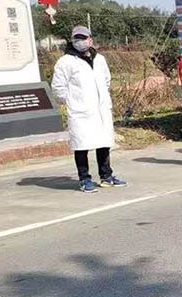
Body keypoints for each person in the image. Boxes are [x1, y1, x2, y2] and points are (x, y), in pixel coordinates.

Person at [51, 26, 127, 193]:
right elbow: (58, 88)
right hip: (80, 111)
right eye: (77, 38)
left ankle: (106, 176)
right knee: (81, 146)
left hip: (101, 109)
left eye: (83, 38)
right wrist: (73, 101)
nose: (80, 41)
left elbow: (106, 80)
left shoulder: (100, 59)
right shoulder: (65, 62)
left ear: (90, 40)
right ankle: (84, 179)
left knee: (103, 143)